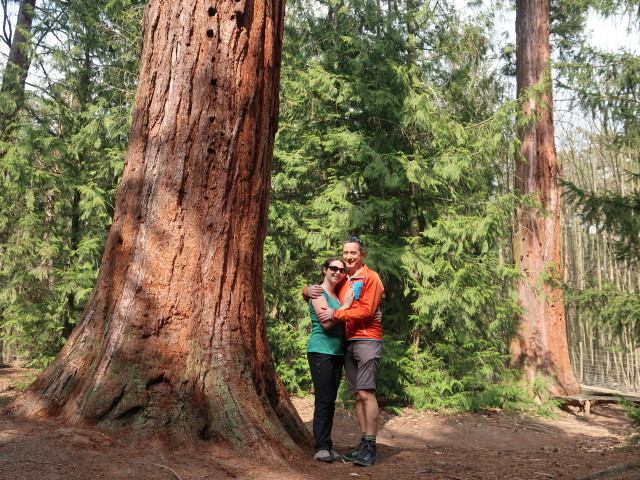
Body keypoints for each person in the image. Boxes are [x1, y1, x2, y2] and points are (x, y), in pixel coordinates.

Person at [309, 237, 384, 467]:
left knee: (366, 393)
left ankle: (370, 445)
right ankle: (363, 443)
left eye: (353, 253)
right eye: (345, 253)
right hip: (348, 343)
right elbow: (325, 291)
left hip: (367, 339)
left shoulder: (371, 277)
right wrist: (306, 291)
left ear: (363, 255)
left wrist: (335, 315)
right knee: (358, 395)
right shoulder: (343, 280)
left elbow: (366, 311)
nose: (348, 257)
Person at [307, 257, 354, 462]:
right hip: (320, 350)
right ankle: (321, 448)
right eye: (333, 268)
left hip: (336, 352)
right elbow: (326, 323)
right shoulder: (317, 292)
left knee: (330, 401)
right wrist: (345, 306)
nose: (337, 272)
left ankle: (327, 443)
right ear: (325, 270)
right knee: (324, 400)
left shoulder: (336, 293)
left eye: (341, 270)